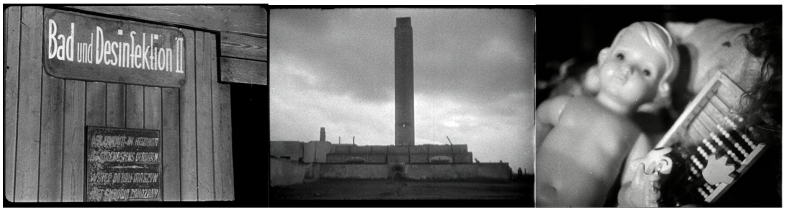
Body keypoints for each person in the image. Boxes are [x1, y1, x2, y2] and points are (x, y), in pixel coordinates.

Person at [535, 21, 679, 207]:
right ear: (603, 57)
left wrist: (636, 195)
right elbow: (539, 119)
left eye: (646, 71)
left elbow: (629, 186)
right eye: (620, 56)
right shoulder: (570, 102)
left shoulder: (636, 138)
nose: (627, 69)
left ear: (659, 92)